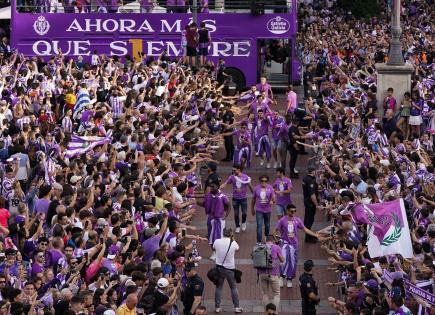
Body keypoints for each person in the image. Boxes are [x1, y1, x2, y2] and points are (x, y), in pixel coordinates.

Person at [275, 204, 319, 288]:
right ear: (287, 211)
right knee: (283, 261)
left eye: (295, 211)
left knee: (292, 262)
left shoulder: (297, 220)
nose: (293, 213)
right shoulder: (282, 220)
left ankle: (289, 279)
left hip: (293, 245)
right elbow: (276, 230)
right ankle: (281, 277)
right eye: (292, 211)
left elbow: (305, 229)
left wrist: (315, 235)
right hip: (284, 244)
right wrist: (277, 239)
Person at [213, 227, 242, 313]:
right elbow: (238, 249)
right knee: (233, 287)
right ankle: (236, 307)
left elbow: (214, 248)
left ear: (223, 233)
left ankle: (217, 307)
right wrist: (233, 238)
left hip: (219, 268)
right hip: (230, 269)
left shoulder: (217, 241)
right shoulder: (233, 243)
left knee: (218, 288)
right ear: (231, 234)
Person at [220, 164, 252, 233]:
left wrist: (254, 193)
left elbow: (250, 186)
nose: (233, 171)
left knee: (244, 213)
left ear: (239, 170)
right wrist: (219, 187)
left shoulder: (245, 177)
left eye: (234, 170)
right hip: (235, 198)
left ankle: (243, 223)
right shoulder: (232, 177)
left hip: (243, 198)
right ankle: (237, 226)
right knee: (236, 213)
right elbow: (225, 184)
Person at [258, 235, 284, 308]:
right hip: (273, 273)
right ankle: (274, 312)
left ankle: (267, 312)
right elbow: (282, 260)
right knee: (276, 294)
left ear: (266, 240)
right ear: (273, 240)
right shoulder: (276, 247)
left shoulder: (260, 247)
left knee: (265, 294)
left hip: (262, 274)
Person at [252, 175, 275, 245]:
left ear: (267, 181)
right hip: (259, 210)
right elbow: (253, 199)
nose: (263, 182)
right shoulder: (256, 188)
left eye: (265, 181)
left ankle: (266, 238)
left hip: (268, 210)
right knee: (259, 225)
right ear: (260, 181)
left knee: (267, 226)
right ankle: (259, 240)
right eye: (262, 181)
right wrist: (252, 209)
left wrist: (272, 201)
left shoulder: (270, 188)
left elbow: (274, 197)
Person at [302, 167, 318, 243]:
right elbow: (312, 195)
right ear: (313, 171)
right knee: (309, 220)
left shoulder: (305, 178)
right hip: (310, 203)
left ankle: (308, 235)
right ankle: (308, 237)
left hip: (306, 202)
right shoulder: (310, 180)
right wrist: (317, 205)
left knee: (307, 218)